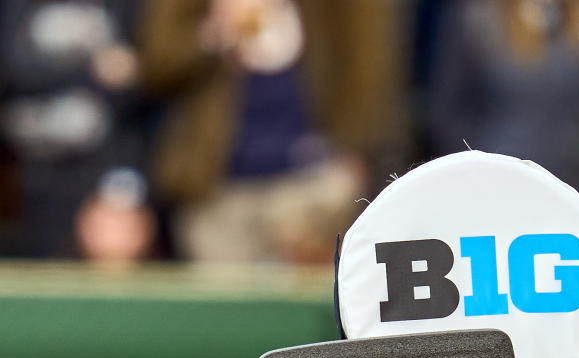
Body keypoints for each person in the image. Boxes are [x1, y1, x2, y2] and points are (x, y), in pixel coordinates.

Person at [139, 0, 407, 263]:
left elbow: (367, 73)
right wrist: (215, 32)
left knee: (304, 297)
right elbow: (157, 66)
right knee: (226, 301)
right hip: (218, 191)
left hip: (306, 186)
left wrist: (353, 154)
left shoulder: (333, 11)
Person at [0, 0, 157, 261]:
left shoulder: (126, 6)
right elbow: (13, 72)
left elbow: (140, 86)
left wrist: (125, 188)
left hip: (101, 174)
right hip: (27, 175)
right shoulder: (17, 6)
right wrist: (88, 70)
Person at [427, 0, 579, 188]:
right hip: (497, 182)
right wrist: (479, 168)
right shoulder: (477, 20)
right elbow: (449, 112)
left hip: (578, 185)